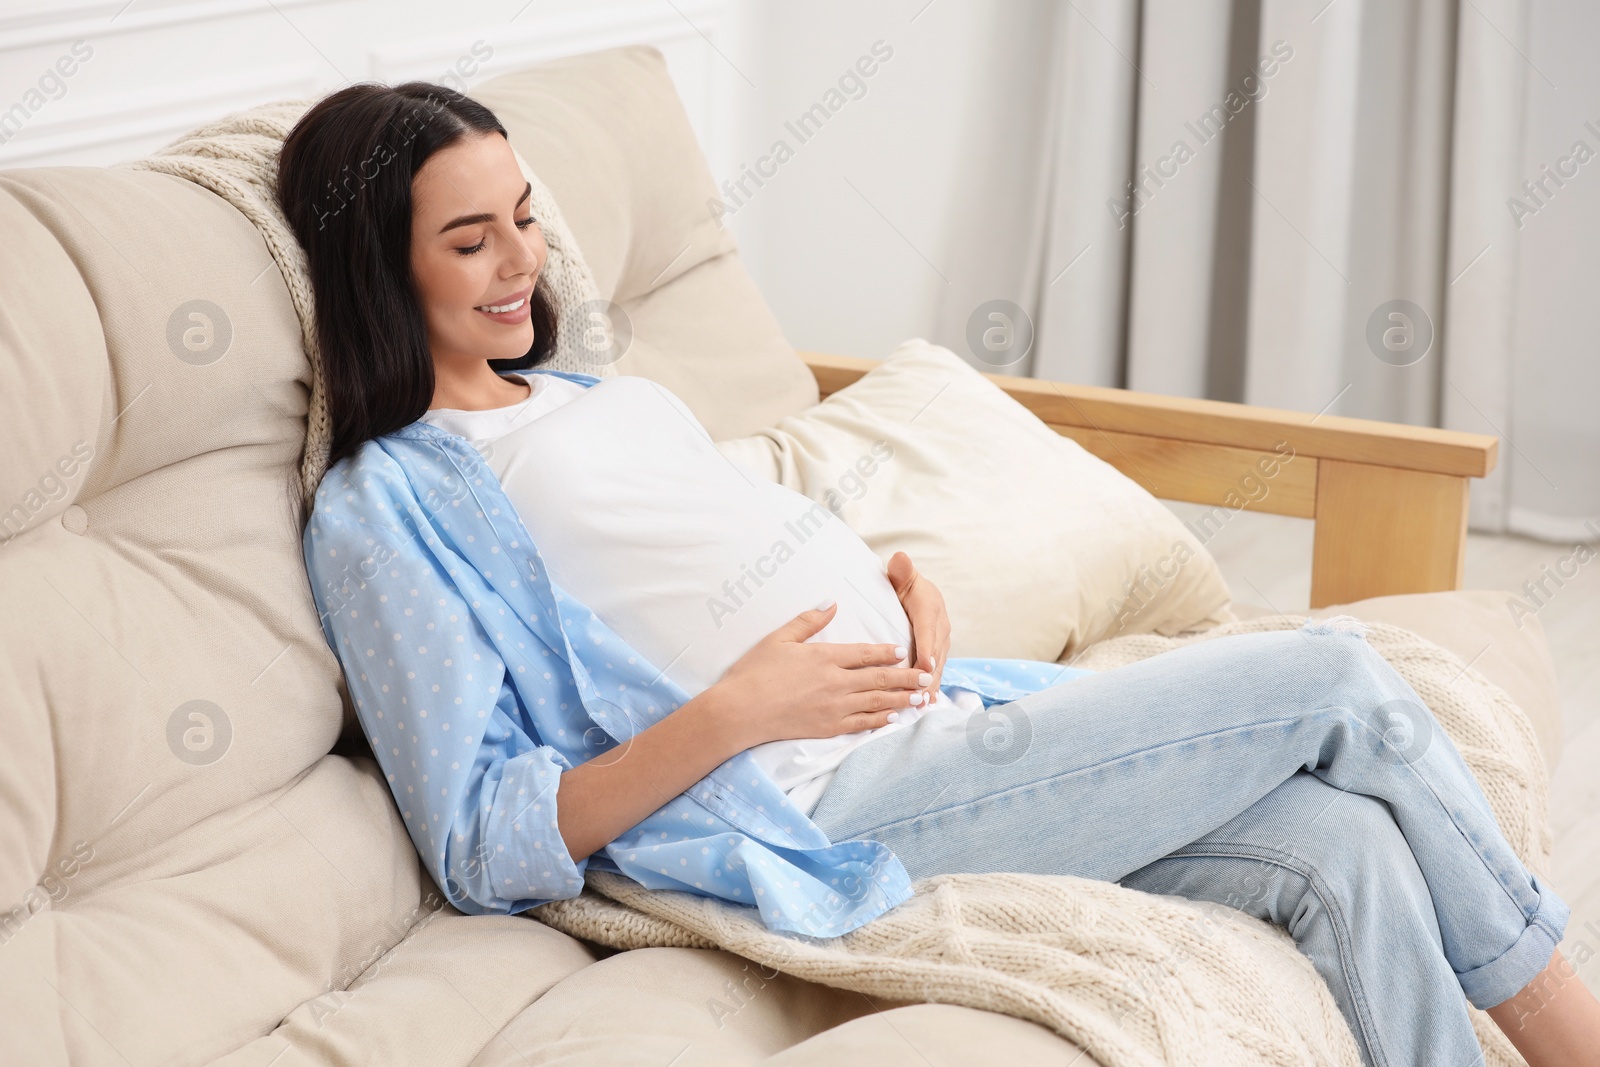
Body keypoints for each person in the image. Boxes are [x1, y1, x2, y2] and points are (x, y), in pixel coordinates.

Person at [279, 82, 1600, 1067]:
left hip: (941, 719)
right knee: (1332, 677)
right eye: (470, 241)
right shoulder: (384, 504)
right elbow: (477, 840)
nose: (524, 262)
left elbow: (711, 552)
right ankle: (1565, 1026)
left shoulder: (578, 394)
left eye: (523, 219)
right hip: (813, 807)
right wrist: (739, 713)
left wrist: (884, 589)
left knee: (1341, 847)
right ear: (378, 267)